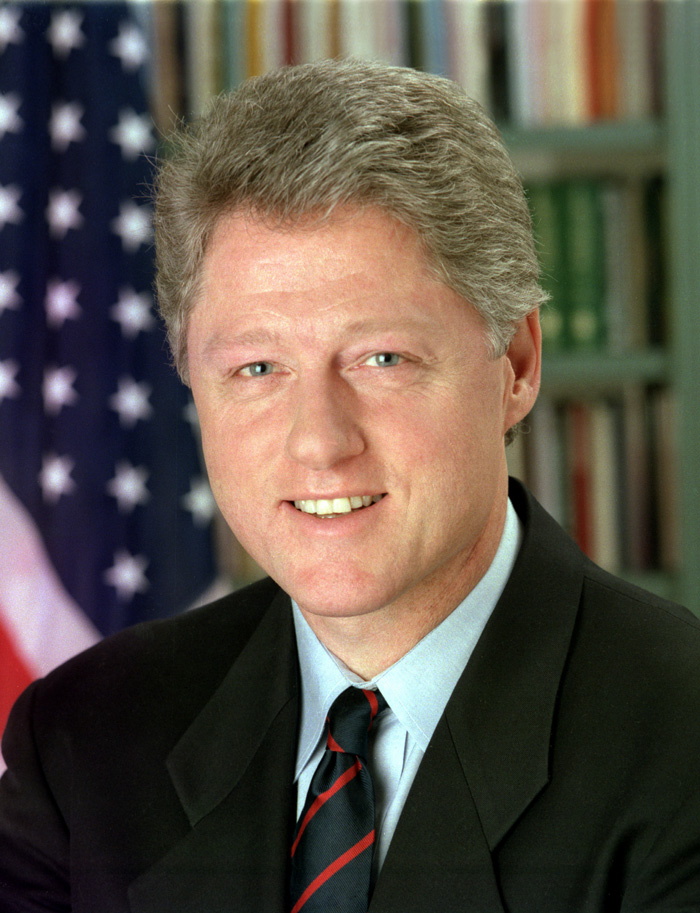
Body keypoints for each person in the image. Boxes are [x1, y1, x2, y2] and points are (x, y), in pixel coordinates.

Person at [1, 58, 700, 913]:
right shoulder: (83, 741)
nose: (320, 442)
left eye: (382, 359)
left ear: (515, 364)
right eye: (257, 367)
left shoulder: (682, 742)